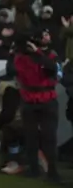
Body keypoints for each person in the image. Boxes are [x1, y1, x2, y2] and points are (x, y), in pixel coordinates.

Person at [13, 28, 61, 183]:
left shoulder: (50, 55)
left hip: (45, 99)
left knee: (49, 137)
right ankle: (35, 169)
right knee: (31, 137)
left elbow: (53, 69)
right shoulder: (19, 57)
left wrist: (37, 53)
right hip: (30, 100)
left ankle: (52, 171)